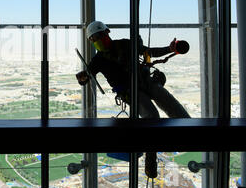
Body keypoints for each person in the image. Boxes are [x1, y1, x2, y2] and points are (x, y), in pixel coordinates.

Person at [76, 21, 191, 178]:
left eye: (99, 36)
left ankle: (191, 131)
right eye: (93, 39)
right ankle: (151, 159)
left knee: (169, 103)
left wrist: (169, 50)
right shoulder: (98, 60)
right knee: (151, 116)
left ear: (107, 33)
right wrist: (82, 77)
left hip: (145, 81)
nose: (97, 40)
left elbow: (148, 52)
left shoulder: (125, 44)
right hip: (130, 92)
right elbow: (86, 78)